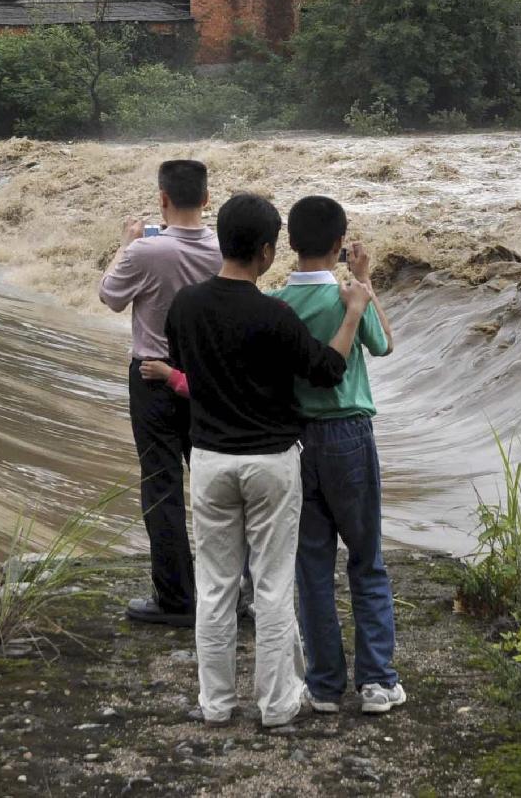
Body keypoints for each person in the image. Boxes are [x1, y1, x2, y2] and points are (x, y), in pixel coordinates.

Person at [160, 192, 373, 729]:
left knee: (216, 586)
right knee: (274, 585)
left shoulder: (185, 305)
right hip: (271, 463)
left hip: (208, 459)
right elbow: (326, 370)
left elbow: (182, 366)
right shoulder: (273, 314)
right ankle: (277, 705)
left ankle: (216, 703)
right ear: (265, 251)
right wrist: (352, 314)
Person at [274, 195, 405, 715]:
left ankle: (325, 685)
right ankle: (376, 682)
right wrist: (366, 284)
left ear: (289, 243)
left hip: (295, 440)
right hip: (349, 435)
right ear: (339, 244)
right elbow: (385, 344)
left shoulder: (277, 302)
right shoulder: (349, 295)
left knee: (311, 566)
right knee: (366, 559)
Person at [97, 158, 218, 627]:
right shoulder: (225, 247)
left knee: (162, 487)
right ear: (207, 200)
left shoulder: (145, 252)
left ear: (162, 200)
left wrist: (123, 246)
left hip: (152, 377)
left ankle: (176, 598)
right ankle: (231, 591)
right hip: (209, 379)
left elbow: (110, 296)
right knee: (215, 485)